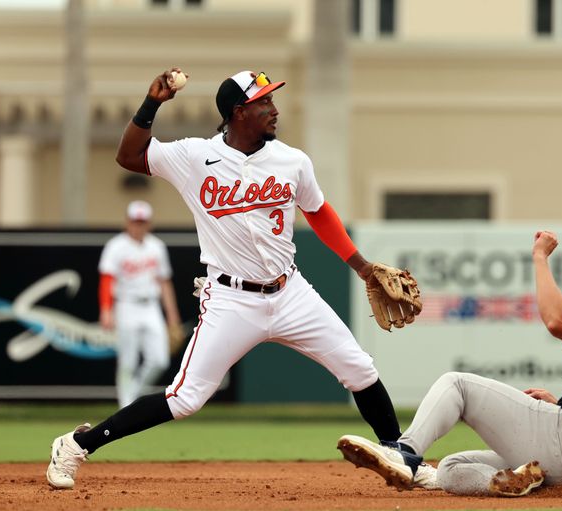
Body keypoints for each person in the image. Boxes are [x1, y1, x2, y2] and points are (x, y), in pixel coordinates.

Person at [46, 68, 423, 489]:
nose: (274, 109)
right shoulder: (194, 157)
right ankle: (78, 444)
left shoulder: (292, 161)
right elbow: (129, 157)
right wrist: (152, 104)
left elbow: (317, 211)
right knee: (185, 398)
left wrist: (363, 266)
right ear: (239, 112)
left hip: (291, 292)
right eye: (264, 102)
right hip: (230, 300)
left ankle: (402, 457)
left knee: (359, 368)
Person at [338, 231, 562, 497]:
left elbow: (558, 321)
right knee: (452, 468)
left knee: (458, 385)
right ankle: (512, 482)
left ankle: (405, 453)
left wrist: (540, 257)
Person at [98, 200, 182, 409]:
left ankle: (134, 394)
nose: (139, 226)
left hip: (151, 306)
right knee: (128, 360)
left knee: (160, 359)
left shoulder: (157, 246)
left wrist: (172, 315)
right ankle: (126, 405)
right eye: (135, 221)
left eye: (142, 222)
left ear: (149, 223)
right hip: (126, 305)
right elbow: (107, 280)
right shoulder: (116, 246)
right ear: (127, 222)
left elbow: (164, 282)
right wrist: (106, 310)